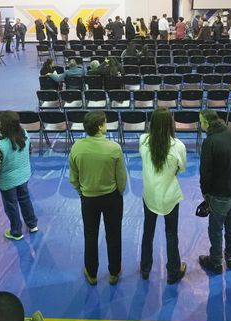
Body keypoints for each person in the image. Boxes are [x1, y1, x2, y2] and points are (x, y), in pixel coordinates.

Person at [69, 111, 127, 285]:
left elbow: (73, 177)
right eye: (105, 123)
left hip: (88, 199)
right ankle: (114, 272)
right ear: (101, 127)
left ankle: (92, 273)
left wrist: (82, 192)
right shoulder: (114, 148)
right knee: (114, 234)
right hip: (112, 198)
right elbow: (121, 179)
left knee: (90, 235)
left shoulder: (76, 148)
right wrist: (118, 193)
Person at [139, 108, 187, 283]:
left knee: (148, 232)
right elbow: (182, 168)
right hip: (170, 198)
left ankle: (145, 268)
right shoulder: (178, 146)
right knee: (171, 234)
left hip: (149, 195)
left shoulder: (143, 140)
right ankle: (173, 271)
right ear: (170, 124)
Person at [198, 109, 231, 274]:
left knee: (216, 229)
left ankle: (216, 262)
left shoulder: (209, 142)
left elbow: (205, 173)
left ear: (207, 123)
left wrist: (205, 193)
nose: (200, 124)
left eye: (201, 121)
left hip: (219, 195)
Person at [0, 111, 38, 241]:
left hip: (8, 181)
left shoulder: (0, 145)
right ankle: (32, 224)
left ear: (3, 126)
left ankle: (16, 231)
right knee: (25, 199)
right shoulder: (25, 135)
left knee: (11, 205)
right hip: (23, 176)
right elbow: (29, 152)